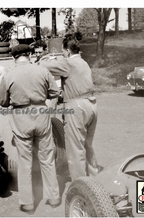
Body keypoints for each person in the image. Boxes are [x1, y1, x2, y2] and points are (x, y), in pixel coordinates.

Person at [0, 44, 61, 213]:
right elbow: (55, 92)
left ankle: (27, 203)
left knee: (24, 163)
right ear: (30, 55)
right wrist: (42, 99)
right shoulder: (42, 71)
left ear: (14, 57)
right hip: (41, 115)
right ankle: (53, 197)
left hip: (21, 118)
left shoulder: (8, 75)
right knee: (47, 158)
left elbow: (2, 101)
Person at [39, 32, 102, 181]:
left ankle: (81, 185)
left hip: (77, 107)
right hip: (91, 103)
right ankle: (95, 178)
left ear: (67, 50)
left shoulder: (68, 63)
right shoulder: (83, 62)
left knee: (75, 149)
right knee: (87, 145)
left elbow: (44, 66)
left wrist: (46, 57)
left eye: (64, 51)